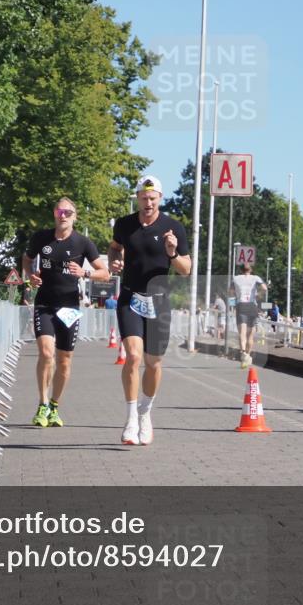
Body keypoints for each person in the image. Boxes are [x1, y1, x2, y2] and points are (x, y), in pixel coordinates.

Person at [108, 175, 190, 445]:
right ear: (138, 198)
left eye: (153, 198)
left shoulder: (173, 227)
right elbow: (115, 248)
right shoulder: (124, 225)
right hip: (130, 298)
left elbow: (186, 269)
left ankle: (145, 412)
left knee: (153, 363)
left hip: (159, 301)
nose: (148, 203)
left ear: (160, 199)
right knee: (133, 357)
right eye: (144, 198)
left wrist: (172, 253)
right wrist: (115, 263)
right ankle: (131, 418)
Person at [23, 197, 110, 428]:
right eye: (61, 211)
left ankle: (54, 406)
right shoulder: (42, 238)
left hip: (69, 306)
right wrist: (30, 275)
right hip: (45, 304)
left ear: (75, 216)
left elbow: (105, 273)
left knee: (64, 360)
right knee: (46, 352)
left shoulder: (83, 243)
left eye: (68, 212)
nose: (64, 216)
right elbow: (27, 259)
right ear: (54, 213)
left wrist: (85, 273)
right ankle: (42, 404)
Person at [231, 263, 268, 368]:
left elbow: (231, 291)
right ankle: (247, 354)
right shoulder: (255, 278)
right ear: (251, 270)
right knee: (250, 335)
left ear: (241, 269)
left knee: (242, 332)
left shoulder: (236, 278)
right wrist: (258, 295)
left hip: (241, 305)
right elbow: (264, 288)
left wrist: (237, 295)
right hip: (252, 306)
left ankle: (243, 353)